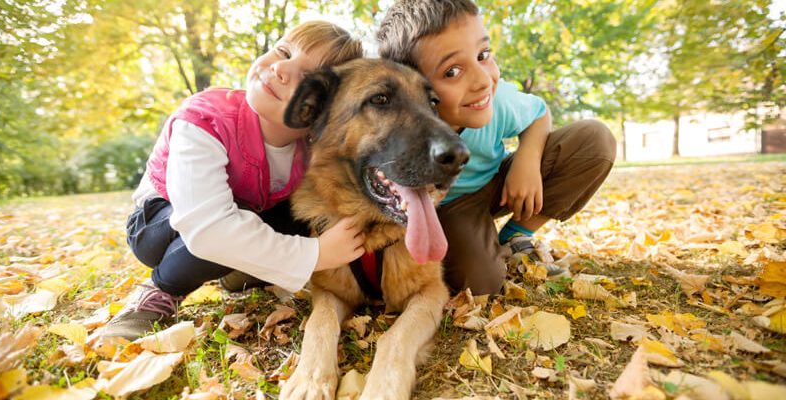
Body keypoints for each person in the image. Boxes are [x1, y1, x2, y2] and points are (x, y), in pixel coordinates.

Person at [103, 21, 365, 340]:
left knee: (298, 213)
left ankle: (242, 268)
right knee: (221, 230)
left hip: (238, 214)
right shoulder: (205, 119)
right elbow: (209, 228)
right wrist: (316, 254)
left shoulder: (308, 150)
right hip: (158, 224)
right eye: (283, 51)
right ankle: (157, 292)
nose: (282, 67)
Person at [377, 0, 616, 295]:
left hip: (499, 182)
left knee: (595, 140)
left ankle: (518, 236)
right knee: (481, 284)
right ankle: (483, 246)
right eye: (452, 71)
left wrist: (527, 160)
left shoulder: (496, 98)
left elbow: (539, 114)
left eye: (483, 55)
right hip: (449, 207)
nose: (482, 80)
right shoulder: (401, 129)